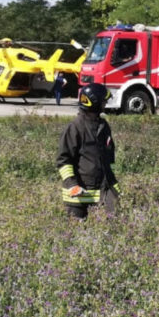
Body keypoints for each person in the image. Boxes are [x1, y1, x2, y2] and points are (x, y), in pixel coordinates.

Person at [57, 83, 120, 219]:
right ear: (95, 103)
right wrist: (72, 184)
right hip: (78, 197)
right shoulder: (75, 127)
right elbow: (63, 161)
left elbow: (109, 158)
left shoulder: (104, 126)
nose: (105, 104)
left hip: (103, 191)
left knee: (112, 229)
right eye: (103, 101)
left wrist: (113, 183)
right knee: (77, 236)